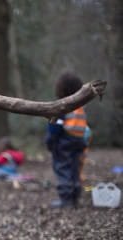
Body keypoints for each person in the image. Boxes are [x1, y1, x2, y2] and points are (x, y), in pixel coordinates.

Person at [45, 71, 90, 208]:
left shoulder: (62, 106)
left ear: (61, 89)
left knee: (63, 169)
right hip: (78, 142)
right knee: (74, 169)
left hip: (64, 142)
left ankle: (66, 200)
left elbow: (55, 126)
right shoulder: (80, 107)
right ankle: (75, 197)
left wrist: (50, 140)